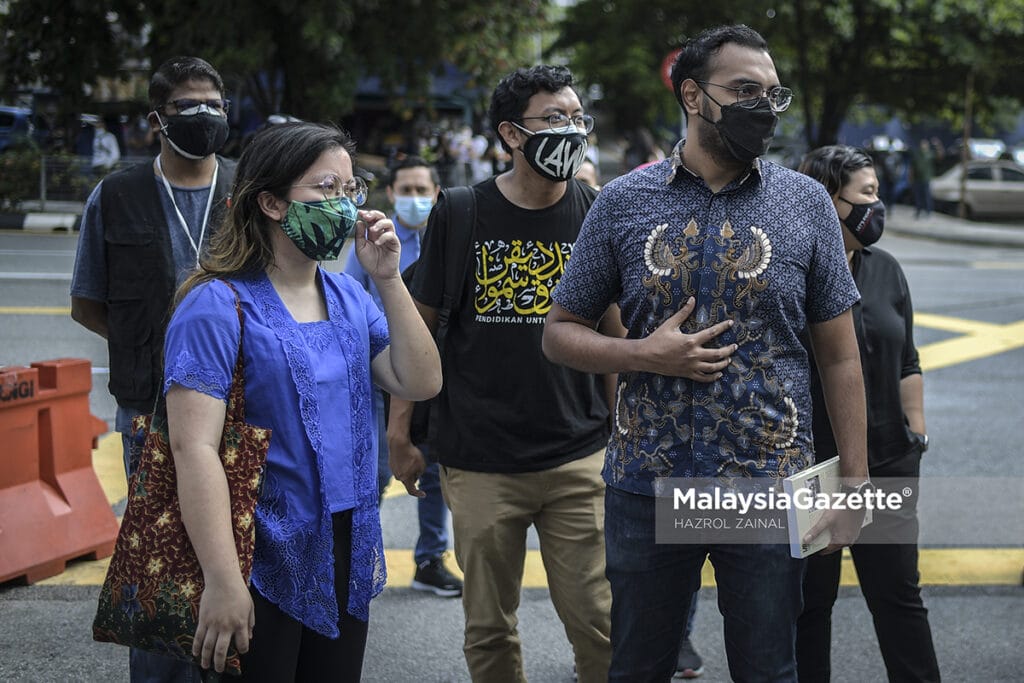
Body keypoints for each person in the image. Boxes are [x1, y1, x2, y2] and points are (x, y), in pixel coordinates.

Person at [542, 25, 870, 681]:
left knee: (770, 667)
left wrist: (855, 482)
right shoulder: (621, 202)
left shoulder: (805, 202)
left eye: (772, 95)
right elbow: (559, 332)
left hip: (770, 486)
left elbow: (839, 356)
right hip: (647, 483)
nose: (763, 108)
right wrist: (642, 355)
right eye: (744, 90)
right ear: (693, 95)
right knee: (637, 665)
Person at [162, 121, 442, 679]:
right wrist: (223, 579)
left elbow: (420, 380)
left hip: (345, 537)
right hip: (253, 547)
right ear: (270, 202)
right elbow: (192, 449)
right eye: (326, 189)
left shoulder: (345, 294)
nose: (344, 205)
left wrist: (388, 279)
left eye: (349, 189)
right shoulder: (216, 305)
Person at [389, 65, 615, 682]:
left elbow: (615, 332)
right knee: (489, 629)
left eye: (577, 119)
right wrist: (401, 434)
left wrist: (621, 432)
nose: (571, 132)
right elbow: (421, 326)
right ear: (513, 135)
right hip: (480, 457)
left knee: (600, 622)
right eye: (554, 120)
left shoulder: (597, 210)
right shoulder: (462, 211)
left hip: (578, 455)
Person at [70, 55, 236, 683]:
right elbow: (88, 301)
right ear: (155, 121)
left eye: (213, 107)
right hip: (149, 411)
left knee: (237, 554)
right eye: (186, 108)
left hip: (244, 409)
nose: (202, 118)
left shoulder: (251, 191)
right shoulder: (116, 195)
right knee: (160, 559)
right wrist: (159, 352)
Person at [795, 145, 940, 682]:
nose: (877, 207)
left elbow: (908, 359)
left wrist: (914, 434)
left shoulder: (885, 270)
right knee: (810, 606)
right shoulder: (796, 271)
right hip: (815, 468)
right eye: (868, 194)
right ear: (830, 200)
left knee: (898, 597)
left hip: (889, 462)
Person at [343, 155, 463, 598]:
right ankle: (358, 557)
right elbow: (352, 301)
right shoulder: (373, 239)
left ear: (436, 194)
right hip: (379, 376)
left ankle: (430, 559)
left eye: (423, 191)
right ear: (391, 194)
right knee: (373, 472)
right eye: (406, 190)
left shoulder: (444, 240)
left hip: (427, 375)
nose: (415, 199)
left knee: (431, 471)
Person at [909, 138, 935, 219]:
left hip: (926, 178)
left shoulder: (929, 154)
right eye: (922, 144)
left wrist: (938, 145)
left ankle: (928, 211)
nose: (923, 146)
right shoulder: (917, 155)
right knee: (918, 196)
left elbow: (940, 157)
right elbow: (912, 167)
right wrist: (911, 177)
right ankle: (918, 210)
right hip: (917, 179)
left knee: (927, 196)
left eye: (925, 144)